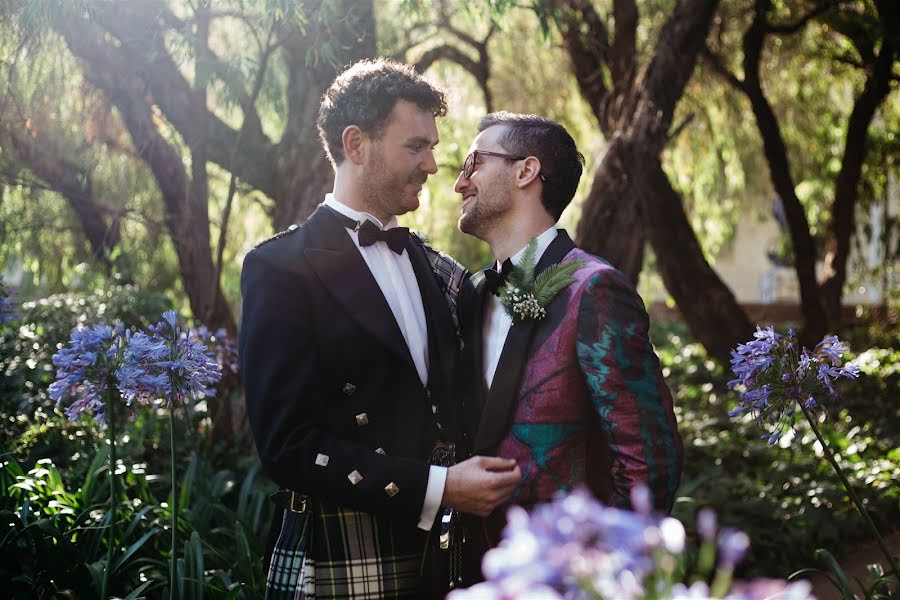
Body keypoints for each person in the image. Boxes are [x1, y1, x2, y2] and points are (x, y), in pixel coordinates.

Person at [239, 59, 521, 599]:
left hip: (446, 555)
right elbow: (286, 446)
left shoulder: (433, 267)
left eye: (433, 147)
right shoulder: (280, 269)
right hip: (342, 552)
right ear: (356, 143)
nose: (433, 165)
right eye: (415, 146)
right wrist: (440, 487)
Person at [454, 112, 684, 580]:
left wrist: (598, 574)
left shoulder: (594, 290)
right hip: (478, 574)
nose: (460, 182)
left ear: (525, 171)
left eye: (473, 161)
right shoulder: (474, 294)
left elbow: (649, 463)